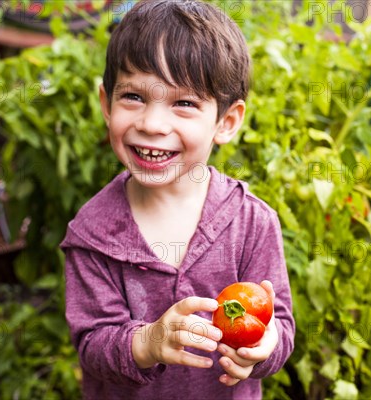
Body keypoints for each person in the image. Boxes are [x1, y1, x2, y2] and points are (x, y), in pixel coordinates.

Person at [60, 1, 295, 398]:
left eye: (184, 103)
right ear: (106, 103)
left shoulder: (251, 221)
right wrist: (148, 342)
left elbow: (280, 324)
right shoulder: (93, 232)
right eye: (133, 96)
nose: (152, 124)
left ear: (226, 122)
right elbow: (92, 344)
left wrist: (264, 347)